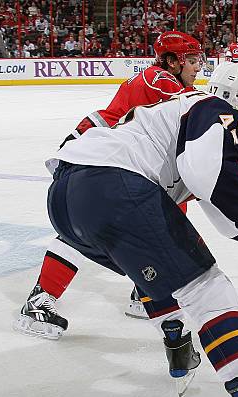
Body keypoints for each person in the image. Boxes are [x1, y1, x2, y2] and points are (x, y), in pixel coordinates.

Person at [34, 61, 238, 397]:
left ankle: (179, 347)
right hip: (115, 184)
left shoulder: (180, 114)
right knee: (207, 287)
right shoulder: (214, 108)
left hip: (65, 198)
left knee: (158, 272)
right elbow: (206, 178)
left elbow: (217, 206)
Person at [17, 31, 206, 334]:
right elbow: (197, 111)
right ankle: (39, 301)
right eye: (192, 60)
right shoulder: (161, 80)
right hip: (96, 161)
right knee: (92, 229)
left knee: (161, 219)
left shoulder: (157, 79)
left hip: (106, 157)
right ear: (172, 61)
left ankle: (144, 292)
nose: (198, 67)